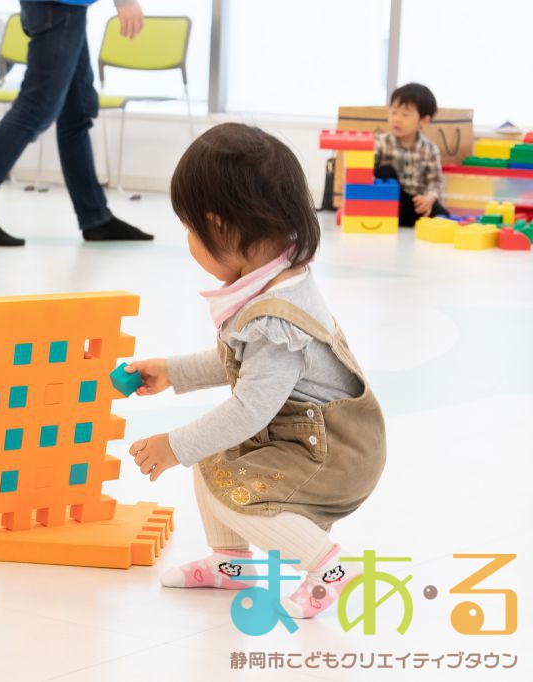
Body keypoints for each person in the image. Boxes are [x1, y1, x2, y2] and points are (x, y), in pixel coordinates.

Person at [122, 124, 386, 619]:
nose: (189, 241)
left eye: (190, 229)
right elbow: (246, 366)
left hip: (333, 454)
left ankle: (330, 568)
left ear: (220, 225)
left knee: (236, 492)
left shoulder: (275, 316)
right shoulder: (276, 280)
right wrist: (173, 372)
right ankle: (233, 563)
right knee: (214, 454)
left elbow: (250, 408)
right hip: (310, 438)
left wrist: (173, 446)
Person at [0, 0, 154, 247]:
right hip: (59, 6)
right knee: (34, 109)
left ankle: (95, 218)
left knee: (76, 112)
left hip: (62, 7)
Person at [374, 82, 450, 227]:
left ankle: (411, 219)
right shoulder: (380, 143)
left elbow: (435, 182)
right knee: (385, 171)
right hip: (389, 201)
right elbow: (368, 173)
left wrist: (429, 198)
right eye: (393, 112)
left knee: (443, 215)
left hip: (415, 204)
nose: (397, 119)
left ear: (424, 121)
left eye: (405, 115)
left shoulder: (430, 149)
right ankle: (394, 216)